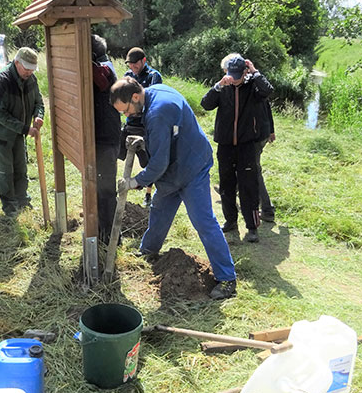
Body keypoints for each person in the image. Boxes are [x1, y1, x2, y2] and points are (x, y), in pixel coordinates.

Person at [110, 76, 237, 300]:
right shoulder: (153, 92)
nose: (126, 116)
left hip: (191, 167)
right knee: (159, 208)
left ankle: (227, 279)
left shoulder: (158, 112)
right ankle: (148, 251)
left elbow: (159, 162)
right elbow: (163, 142)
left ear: (136, 96)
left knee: (203, 221)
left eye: (126, 110)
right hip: (173, 170)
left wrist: (136, 181)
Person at [200, 54, 275, 243]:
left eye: (238, 75)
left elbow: (268, 91)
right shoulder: (223, 88)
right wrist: (218, 87)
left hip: (247, 145)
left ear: (245, 71)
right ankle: (230, 221)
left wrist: (255, 72)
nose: (234, 80)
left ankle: (252, 227)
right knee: (226, 186)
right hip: (225, 145)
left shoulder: (253, 87)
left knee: (249, 187)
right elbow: (205, 104)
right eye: (230, 75)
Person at [0, 47, 45, 217]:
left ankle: (23, 201)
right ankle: (10, 208)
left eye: (32, 69)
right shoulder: (0, 81)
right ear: (17, 63)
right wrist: (25, 128)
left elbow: (39, 102)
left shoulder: (31, 79)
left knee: (20, 167)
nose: (29, 72)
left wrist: (38, 116)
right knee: (5, 170)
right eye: (26, 69)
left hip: (18, 132)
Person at [120, 47, 163, 206]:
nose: (132, 67)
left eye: (135, 64)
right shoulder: (128, 76)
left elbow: (153, 100)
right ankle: (120, 191)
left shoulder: (153, 76)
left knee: (150, 162)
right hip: (130, 123)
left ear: (144, 61)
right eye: (130, 64)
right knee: (119, 153)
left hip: (146, 125)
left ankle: (149, 195)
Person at [91, 34, 120, 244]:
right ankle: (105, 230)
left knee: (107, 189)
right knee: (101, 188)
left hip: (106, 138)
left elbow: (99, 80)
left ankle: (110, 236)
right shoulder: (103, 64)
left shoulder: (102, 70)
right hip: (104, 136)